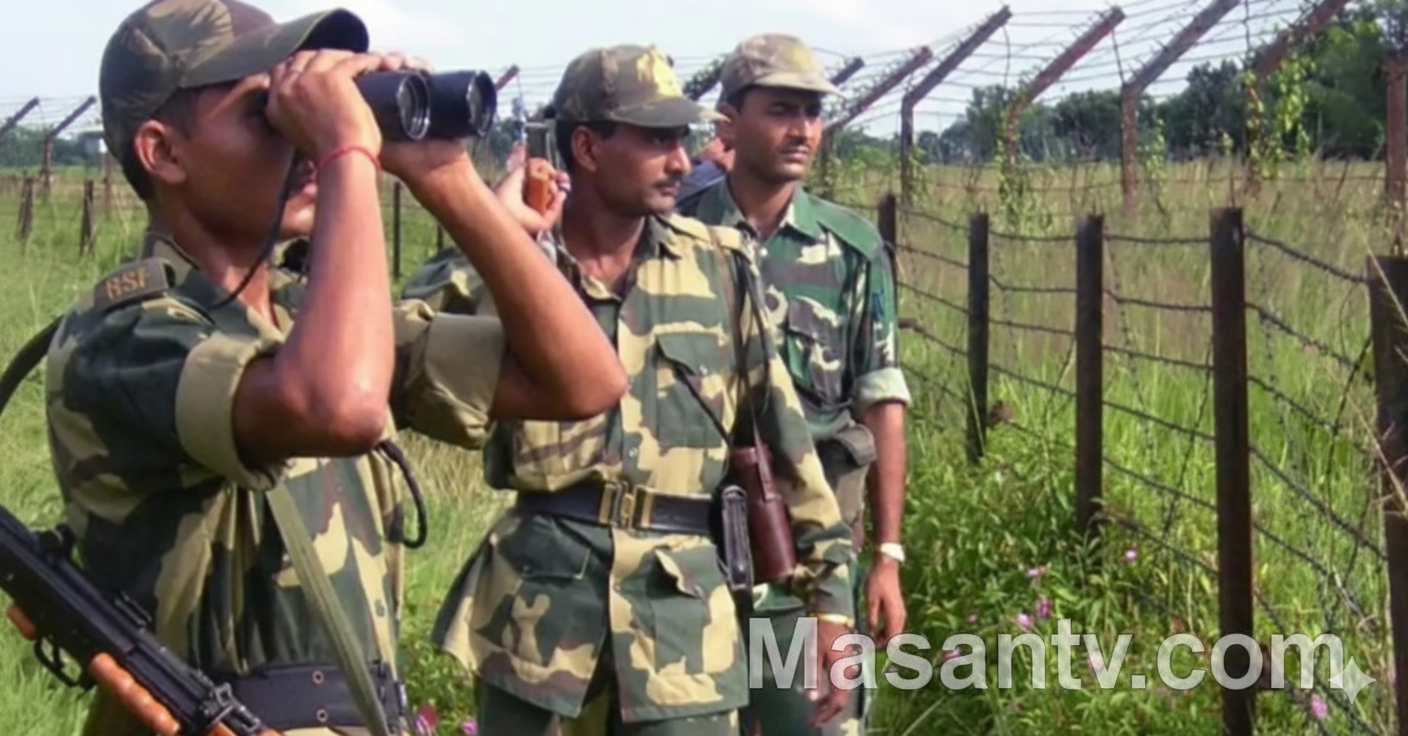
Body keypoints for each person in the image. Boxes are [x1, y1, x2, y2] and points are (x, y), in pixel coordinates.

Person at [43, 2, 625, 736]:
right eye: (267, 113)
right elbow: (339, 406)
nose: (303, 138)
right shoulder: (123, 336)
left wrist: (446, 177)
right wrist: (348, 150)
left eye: (304, 111)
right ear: (164, 151)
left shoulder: (305, 318)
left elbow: (583, 381)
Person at [402, 43, 857, 736]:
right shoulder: (513, 266)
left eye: (681, 139)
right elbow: (403, 340)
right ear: (586, 146)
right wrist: (498, 233)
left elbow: (784, 440)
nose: (681, 161)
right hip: (539, 618)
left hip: (681, 624)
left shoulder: (719, 267)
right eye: (655, 141)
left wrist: (831, 604)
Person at [675, 32, 913, 736]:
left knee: (812, 723)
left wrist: (887, 558)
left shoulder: (852, 249)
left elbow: (882, 402)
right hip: (690, 547)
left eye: (812, 113)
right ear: (728, 122)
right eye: (782, 110)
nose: (803, 130)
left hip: (812, 555)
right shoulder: (675, 235)